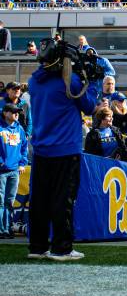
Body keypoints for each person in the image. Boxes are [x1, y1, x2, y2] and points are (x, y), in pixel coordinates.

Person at [28, 39, 99, 260]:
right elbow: (89, 106)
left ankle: (37, 247)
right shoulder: (69, 82)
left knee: (40, 200)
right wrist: (93, 80)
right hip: (66, 150)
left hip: (41, 150)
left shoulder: (33, 81)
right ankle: (62, 248)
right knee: (63, 200)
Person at [0, 103, 28, 239]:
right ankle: (1, 230)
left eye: (17, 112)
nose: (16, 114)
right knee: (0, 202)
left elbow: (24, 147)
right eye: (13, 112)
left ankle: (8, 228)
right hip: (1, 171)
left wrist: (22, 163)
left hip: (15, 171)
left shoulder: (19, 129)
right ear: (5, 113)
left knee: (10, 202)